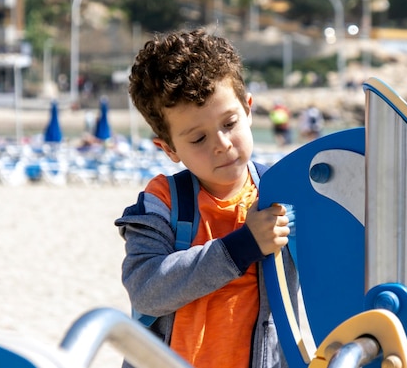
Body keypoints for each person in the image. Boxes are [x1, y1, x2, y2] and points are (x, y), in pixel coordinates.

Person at [115, 28, 297, 368]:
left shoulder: (283, 196)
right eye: (198, 139)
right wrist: (243, 245)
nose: (221, 144)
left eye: (229, 123)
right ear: (168, 148)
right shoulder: (162, 204)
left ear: (248, 109)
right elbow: (146, 288)